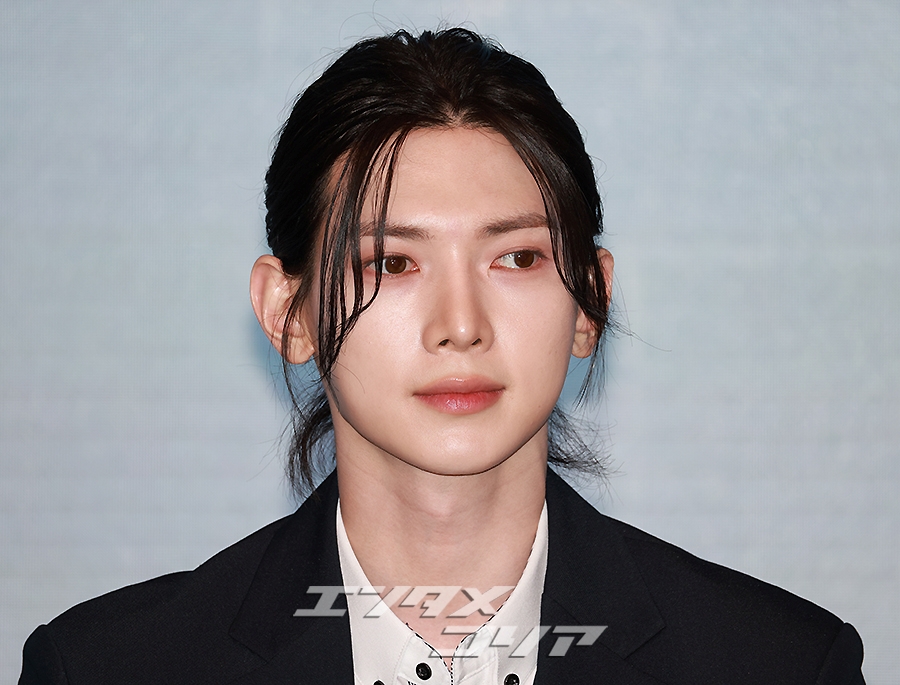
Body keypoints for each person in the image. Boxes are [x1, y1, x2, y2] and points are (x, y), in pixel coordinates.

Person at [20, 27, 865, 685]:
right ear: (288, 311)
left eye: (517, 258)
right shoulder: (107, 667)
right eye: (392, 263)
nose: (460, 325)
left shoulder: (781, 664)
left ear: (590, 301)